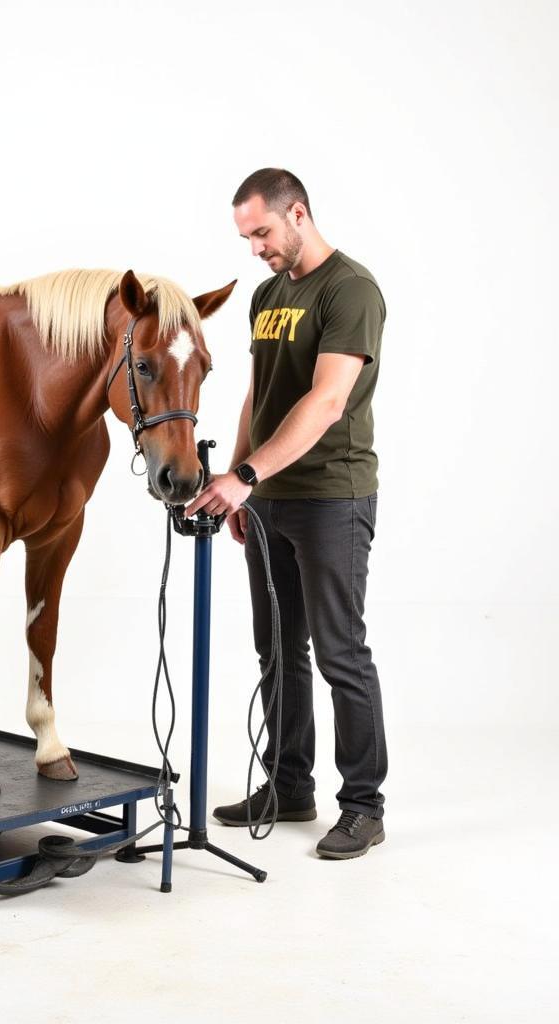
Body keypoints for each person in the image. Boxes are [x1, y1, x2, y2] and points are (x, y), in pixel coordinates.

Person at [185, 168, 387, 859]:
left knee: (340, 653)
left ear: (297, 213)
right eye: (246, 237)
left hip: (333, 495)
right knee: (277, 650)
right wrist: (238, 478)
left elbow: (328, 400)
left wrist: (248, 474)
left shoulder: (350, 290)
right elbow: (260, 393)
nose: (255, 249)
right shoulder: (269, 295)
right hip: (270, 500)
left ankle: (363, 805)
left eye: (262, 232)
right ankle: (289, 785)